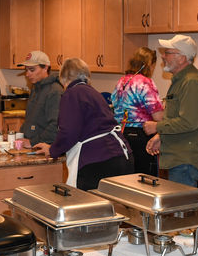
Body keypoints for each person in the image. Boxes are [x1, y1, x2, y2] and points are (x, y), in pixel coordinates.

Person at [34, 57, 134, 191]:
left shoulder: (72, 93)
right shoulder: (93, 92)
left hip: (98, 162)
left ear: (63, 77)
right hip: (121, 156)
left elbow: (68, 132)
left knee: (89, 208)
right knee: (116, 209)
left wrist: (52, 150)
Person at [144, 35, 198, 188]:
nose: (163, 56)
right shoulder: (181, 80)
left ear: (182, 58)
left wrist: (157, 127)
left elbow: (188, 122)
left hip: (185, 161)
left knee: (179, 211)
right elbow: (177, 117)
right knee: (176, 209)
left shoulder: (191, 82)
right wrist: (161, 136)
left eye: (168, 52)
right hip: (179, 159)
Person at [111, 47, 164, 176]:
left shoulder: (121, 81)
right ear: (149, 65)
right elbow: (158, 116)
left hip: (121, 135)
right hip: (142, 137)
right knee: (144, 180)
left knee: (126, 179)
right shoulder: (145, 83)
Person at [17, 50, 62, 146]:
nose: (27, 74)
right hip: (32, 147)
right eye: (26, 70)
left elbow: (55, 126)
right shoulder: (35, 89)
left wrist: (33, 142)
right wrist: (18, 136)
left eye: (32, 70)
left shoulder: (54, 91)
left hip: (43, 148)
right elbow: (29, 120)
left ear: (45, 68)